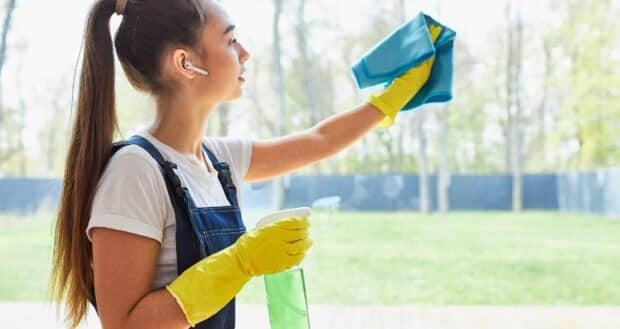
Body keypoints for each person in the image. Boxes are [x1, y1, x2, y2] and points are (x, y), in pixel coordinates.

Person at [49, 0, 440, 328]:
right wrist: (239, 263)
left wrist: (390, 100)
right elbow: (125, 326)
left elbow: (319, 141)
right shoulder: (135, 171)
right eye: (231, 40)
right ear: (185, 63)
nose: (245, 53)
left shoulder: (218, 160)